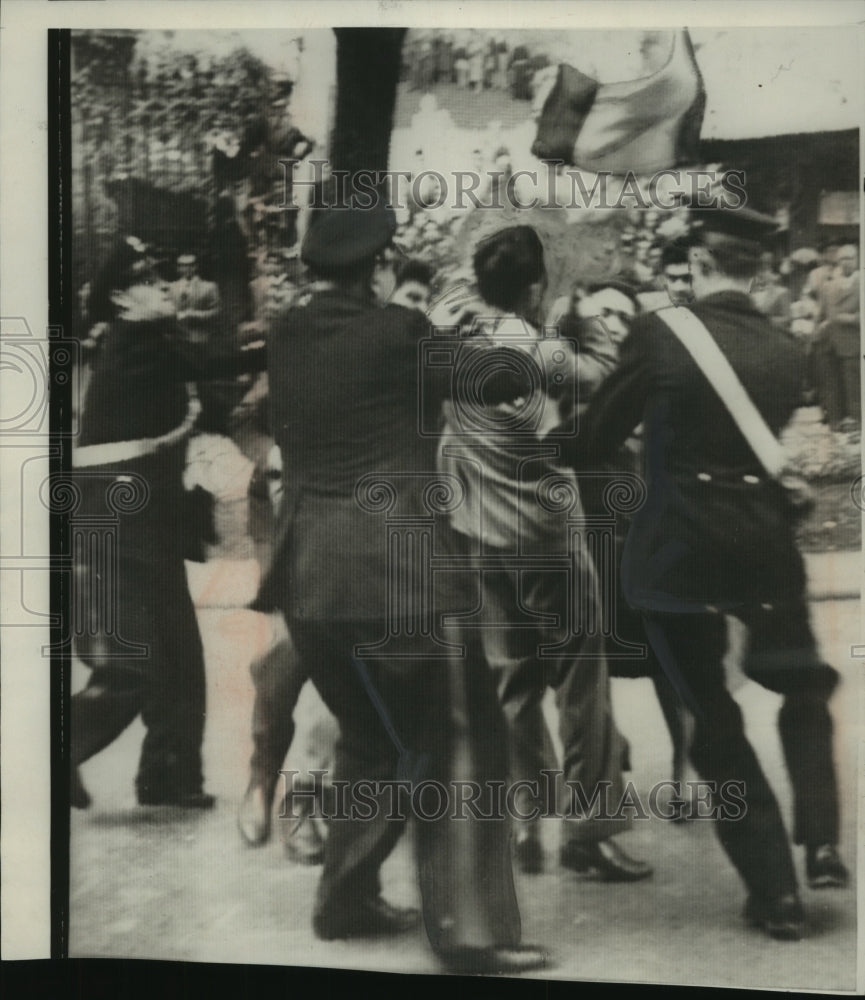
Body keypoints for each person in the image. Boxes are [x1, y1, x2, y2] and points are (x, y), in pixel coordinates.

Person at [255, 194, 546, 974]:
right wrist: (480, 324)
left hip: (310, 575)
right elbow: (500, 380)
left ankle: (343, 900)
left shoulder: (285, 333)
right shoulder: (402, 331)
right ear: (380, 268)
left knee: (369, 739)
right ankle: (472, 931)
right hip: (401, 575)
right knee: (460, 742)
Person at [569, 205, 850, 941]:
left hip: (680, 552)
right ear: (756, 269)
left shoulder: (660, 333)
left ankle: (775, 895)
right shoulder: (785, 347)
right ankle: (820, 835)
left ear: (696, 264)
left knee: (712, 724)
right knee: (803, 682)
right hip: (762, 543)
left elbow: (596, 435)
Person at [435, 226, 652, 880]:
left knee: (513, 683)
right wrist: (582, 319)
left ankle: (529, 815)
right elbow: (609, 372)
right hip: (548, 540)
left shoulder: (450, 345)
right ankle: (587, 832)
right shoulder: (537, 351)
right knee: (581, 684)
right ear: (533, 287)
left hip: (478, 535)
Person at [70, 237, 228, 810]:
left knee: (180, 657)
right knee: (134, 665)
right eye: (148, 279)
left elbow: (210, 392)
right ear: (121, 299)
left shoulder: (148, 339)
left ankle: (170, 774)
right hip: (119, 524)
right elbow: (218, 363)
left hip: (140, 521)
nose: (165, 284)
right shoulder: (136, 343)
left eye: (163, 274)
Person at [814, 244, 860, 430]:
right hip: (829, 342)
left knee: (853, 385)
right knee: (832, 384)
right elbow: (821, 313)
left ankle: (857, 422)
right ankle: (835, 421)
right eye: (842, 259)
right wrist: (818, 328)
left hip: (853, 342)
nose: (845, 263)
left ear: (857, 260)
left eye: (849, 258)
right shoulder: (828, 286)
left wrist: (847, 318)